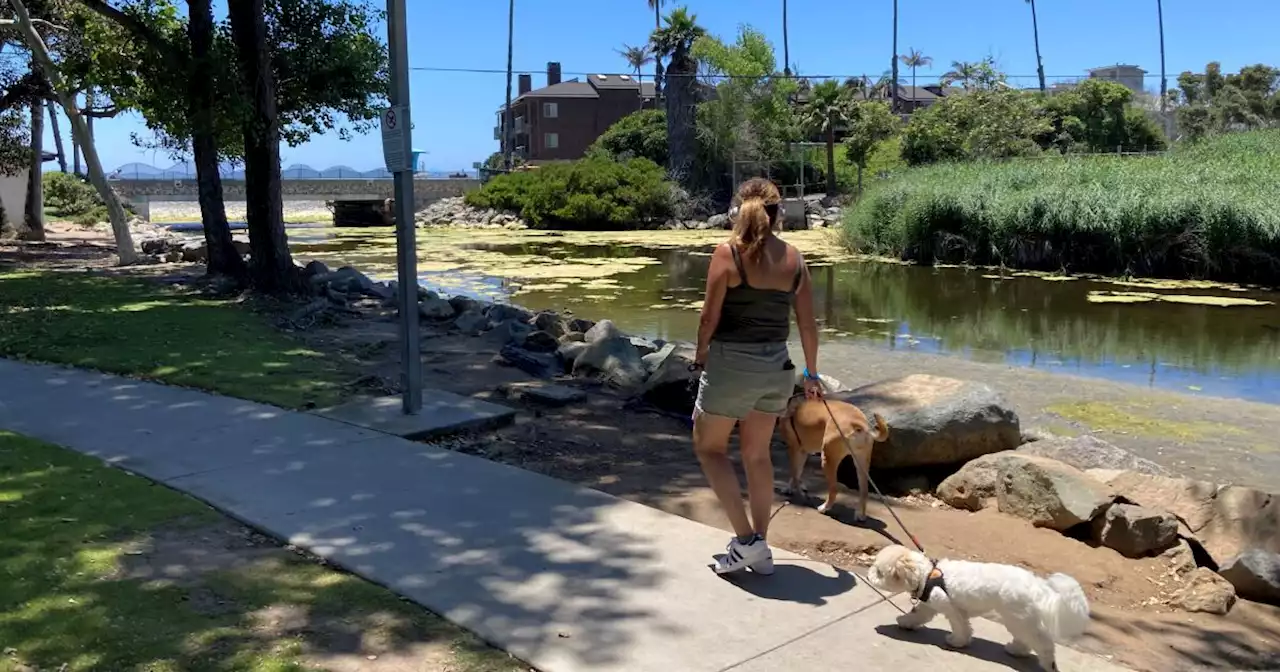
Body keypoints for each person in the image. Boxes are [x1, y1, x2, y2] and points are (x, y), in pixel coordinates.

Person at [692, 177, 822, 575]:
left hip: (732, 365)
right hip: (776, 369)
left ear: (738, 210)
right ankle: (759, 546)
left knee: (709, 447)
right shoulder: (795, 259)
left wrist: (700, 357)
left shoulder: (727, 253)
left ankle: (747, 541)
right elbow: (808, 325)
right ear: (778, 212)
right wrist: (811, 374)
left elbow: (709, 317)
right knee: (757, 454)